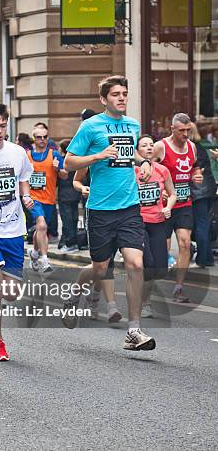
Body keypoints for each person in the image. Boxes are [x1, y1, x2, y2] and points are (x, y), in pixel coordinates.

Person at [65, 75, 155, 351]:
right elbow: (69, 163)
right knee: (100, 268)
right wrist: (97, 156)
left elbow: (131, 155)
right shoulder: (90, 127)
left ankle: (133, 331)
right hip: (101, 210)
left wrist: (145, 162)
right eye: (115, 94)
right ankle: (74, 293)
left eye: (124, 93)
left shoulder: (132, 124)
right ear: (103, 99)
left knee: (135, 264)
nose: (122, 98)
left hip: (129, 207)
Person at [0, 103, 34, 362]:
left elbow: (23, 177)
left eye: (3, 125)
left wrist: (26, 196)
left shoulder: (17, 152)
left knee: (11, 293)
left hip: (14, 229)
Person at [150, 113, 203, 302]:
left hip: (184, 203)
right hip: (163, 206)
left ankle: (178, 288)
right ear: (172, 129)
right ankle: (150, 289)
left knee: (185, 243)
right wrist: (159, 189)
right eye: (182, 131)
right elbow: (145, 170)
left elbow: (194, 167)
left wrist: (196, 175)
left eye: (188, 130)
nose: (186, 134)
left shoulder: (192, 147)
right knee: (160, 253)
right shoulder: (160, 147)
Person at [72, 167, 122, 323]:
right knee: (102, 265)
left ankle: (94, 298)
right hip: (98, 214)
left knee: (106, 265)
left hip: (123, 214)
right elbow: (76, 181)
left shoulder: (125, 156)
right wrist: (82, 188)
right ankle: (84, 295)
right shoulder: (92, 154)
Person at [134, 135, 177, 318]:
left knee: (159, 269)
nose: (149, 148)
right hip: (138, 223)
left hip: (158, 222)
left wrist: (168, 207)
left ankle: (143, 297)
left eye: (151, 145)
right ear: (138, 151)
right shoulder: (132, 171)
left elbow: (172, 193)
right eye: (144, 145)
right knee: (148, 264)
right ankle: (144, 303)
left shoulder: (162, 170)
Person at [27, 124, 67, 273]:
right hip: (33, 198)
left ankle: (34, 252)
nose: (42, 140)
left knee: (41, 228)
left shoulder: (54, 155)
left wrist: (58, 169)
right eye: (39, 137)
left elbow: (64, 175)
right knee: (42, 225)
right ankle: (44, 259)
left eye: (45, 137)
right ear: (34, 139)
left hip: (49, 199)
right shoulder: (28, 156)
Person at [190, 123, 216, 268]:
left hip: (198, 191)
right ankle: (208, 258)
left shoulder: (191, 148)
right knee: (204, 223)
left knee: (200, 225)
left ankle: (202, 259)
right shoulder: (200, 146)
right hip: (208, 189)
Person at [57, 139, 81, 253]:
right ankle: (72, 242)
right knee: (74, 219)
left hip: (65, 195)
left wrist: (57, 169)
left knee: (67, 220)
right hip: (75, 194)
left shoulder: (63, 161)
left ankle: (70, 243)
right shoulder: (77, 160)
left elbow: (64, 175)